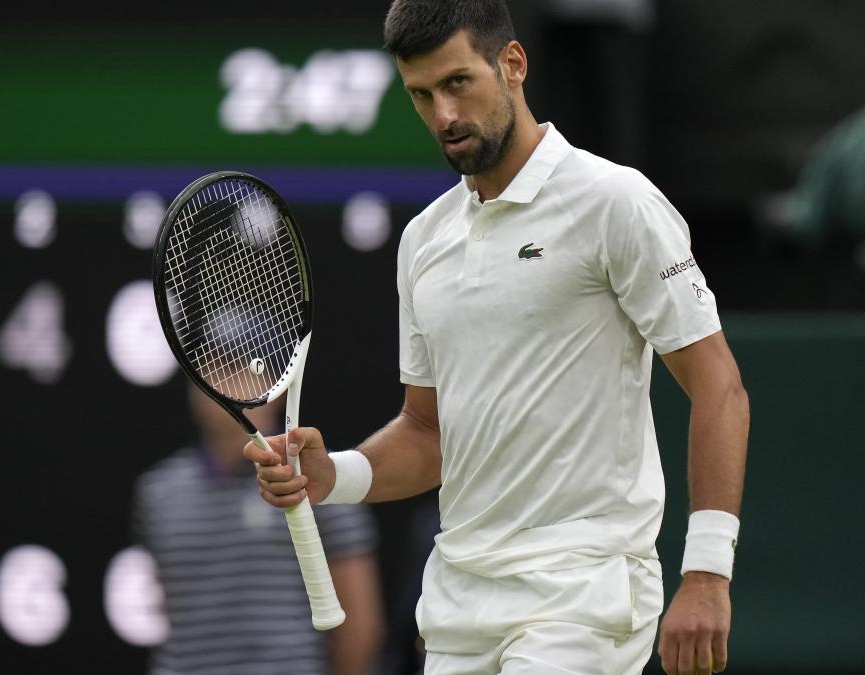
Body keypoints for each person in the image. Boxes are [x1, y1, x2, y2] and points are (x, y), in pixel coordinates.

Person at [246, 2, 750, 674]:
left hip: (581, 598)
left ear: (512, 65)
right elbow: (428, 435)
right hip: (459, 606)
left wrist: (708, 573)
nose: (443, 116)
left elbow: (720, 385)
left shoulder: (615, 202)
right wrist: (335, 473)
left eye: (458, 83)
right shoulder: (423, 241)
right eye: (421, 95)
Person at [132, 384, 384, 675]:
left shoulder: (322, 480)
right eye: (218, 369)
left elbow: (360, 629)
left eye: (247, 370)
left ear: (279, 388)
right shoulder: (158, 493)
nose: (232, 388)